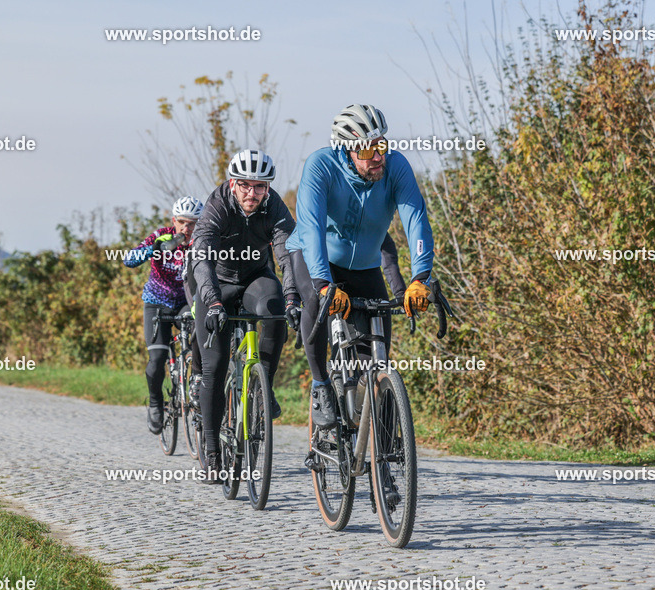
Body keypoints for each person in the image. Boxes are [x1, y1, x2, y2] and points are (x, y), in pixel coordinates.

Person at [285, 104, 435, 431]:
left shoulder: (396, 167)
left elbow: (416, 221)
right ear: (346, 150)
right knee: (315, 299)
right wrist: (324, 284)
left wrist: (420, 277)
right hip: (315, 258)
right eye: (368, 149)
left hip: (365, 269)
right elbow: (310, 228)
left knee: (377, 361)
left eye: (381, 145)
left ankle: (381, 443)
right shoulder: (321, 166)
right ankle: (321, 384)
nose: (378, 155)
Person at [190, 149, 299, 482]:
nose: (253, 193)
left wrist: (294, 296)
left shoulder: (274, 206)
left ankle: (262, 385)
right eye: (246, 185)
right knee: (216, 363)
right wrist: (213, 303)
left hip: (255, 278)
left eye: (260, 186)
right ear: (232, 183)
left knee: (275, 308)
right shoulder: (217, 206)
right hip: (218, 283)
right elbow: (202, 259)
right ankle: (211, 450)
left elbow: (288, 253)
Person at [124, 196, 204, 434]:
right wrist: (153, 248)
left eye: (192, 223)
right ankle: (155, 403)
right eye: (182, 222)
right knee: (157, 360)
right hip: (157, 303)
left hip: (185, 303)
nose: (186, 229)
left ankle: (196, 382)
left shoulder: (202, 241)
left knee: (201, 330)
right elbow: (129, 259)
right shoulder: (161, 236)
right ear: (173, 221)